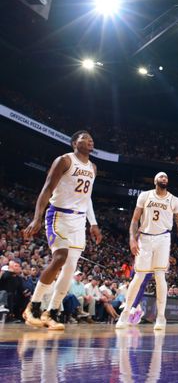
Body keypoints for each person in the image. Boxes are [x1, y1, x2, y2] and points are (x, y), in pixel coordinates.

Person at [22, 131, 103, 330]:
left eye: (92, 137)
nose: (90, 139)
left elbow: (87, 197)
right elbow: (47, 188)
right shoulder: (64, 160)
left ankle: (51, 312)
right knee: (60, 257)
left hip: (79, 221)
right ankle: (32, 307)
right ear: (75, 142)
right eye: (85, 137)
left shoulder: (93, 167)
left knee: (68, 271)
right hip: (58, 215)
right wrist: (36, 218)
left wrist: (93, 223)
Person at [116, 172, 178, 330]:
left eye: (166, 178)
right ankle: (125, 313)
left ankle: (161, 317)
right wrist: (132, 239)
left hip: (163, 238)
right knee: (139, 276)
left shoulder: (174, 200)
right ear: (155, 180)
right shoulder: (145, 196)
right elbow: (135, 220)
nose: (164, 179)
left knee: (160, 275)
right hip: (145, 238)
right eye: (161, 177)